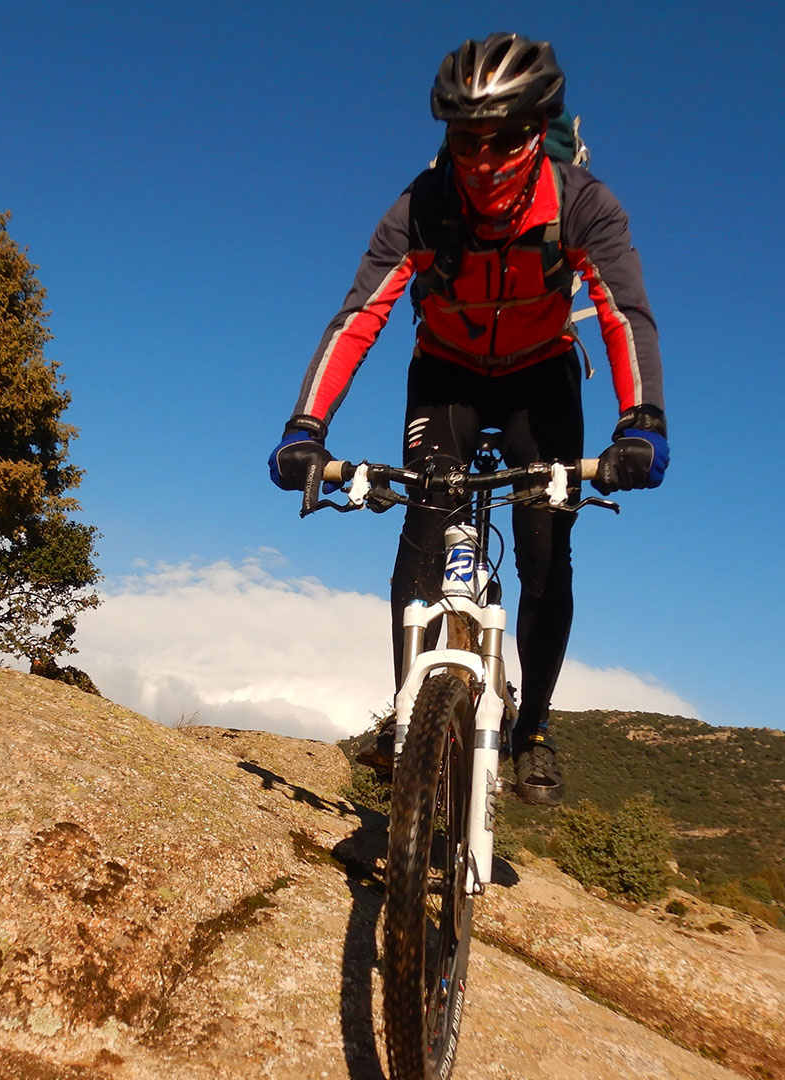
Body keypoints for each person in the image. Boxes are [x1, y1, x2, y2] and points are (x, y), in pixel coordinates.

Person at [267, 32, 667, 805]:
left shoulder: (583, 204)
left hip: (541, 381)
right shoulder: (421, 207)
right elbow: (360, 317)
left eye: (507, 138)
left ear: (540, 130)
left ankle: (536, 728)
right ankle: (411, 712)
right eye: (464, 138)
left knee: (545, 553)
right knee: (422, 532)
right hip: (446, 375)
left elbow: (624, 315)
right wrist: (304, 430)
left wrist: (641, 421)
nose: (483, 160)